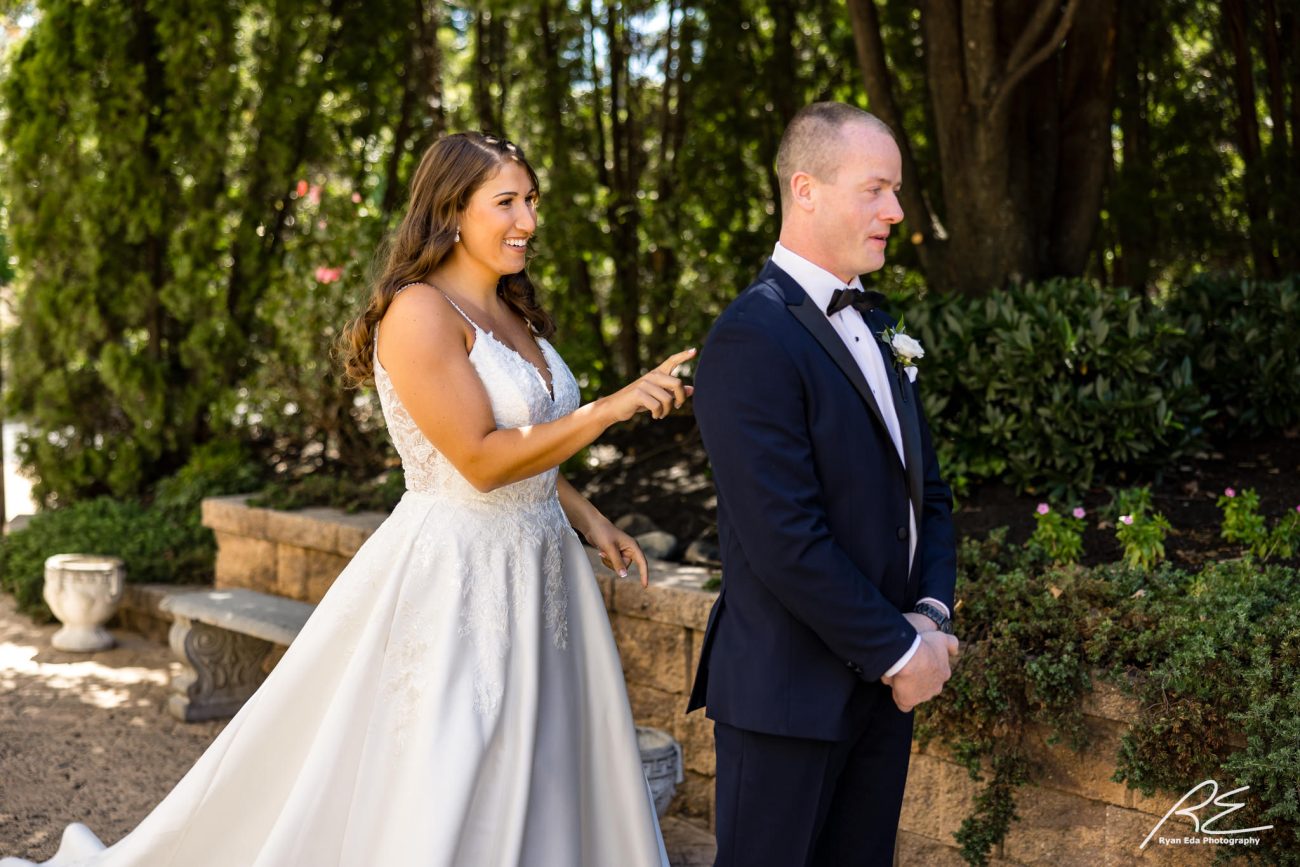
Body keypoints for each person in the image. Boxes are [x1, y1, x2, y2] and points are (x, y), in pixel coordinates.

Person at [3, 132, 693, 867]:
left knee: (542, 759)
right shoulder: (419, 313)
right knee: (452, 759)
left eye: (532, 201)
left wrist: (588, 520)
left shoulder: (512, 311)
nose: (528, 219)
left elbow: (528, 444)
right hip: (459, 575)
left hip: (542, 565)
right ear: (452, 210)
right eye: (508, 202)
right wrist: (608, 408)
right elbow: (480, 459)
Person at [687, 102, 961, 866]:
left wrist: (929, 614)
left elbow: (928, 494)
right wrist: (902, 653)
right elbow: (784, 538)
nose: (897, 211)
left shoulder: (878, 326)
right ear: (805, 190)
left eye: (897, 191)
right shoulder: (752, 335)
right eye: (876, 189)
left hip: (881, 689)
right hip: (789, 699)